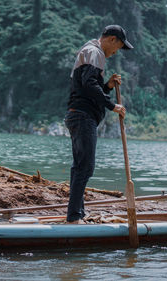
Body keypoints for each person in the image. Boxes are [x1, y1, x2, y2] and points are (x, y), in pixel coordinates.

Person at [64, 25, 134, 224]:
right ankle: (74, 217)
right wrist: (113, 106)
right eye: (117, 47)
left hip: (78, 114)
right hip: (82, 116)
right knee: (85, 167)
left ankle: (78, 213)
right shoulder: (95, 52)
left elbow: (90, 88)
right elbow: (89, 85)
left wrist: (108, 86)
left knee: (80, 166)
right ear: (111, 39)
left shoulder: (90, 51)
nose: (115, 52)